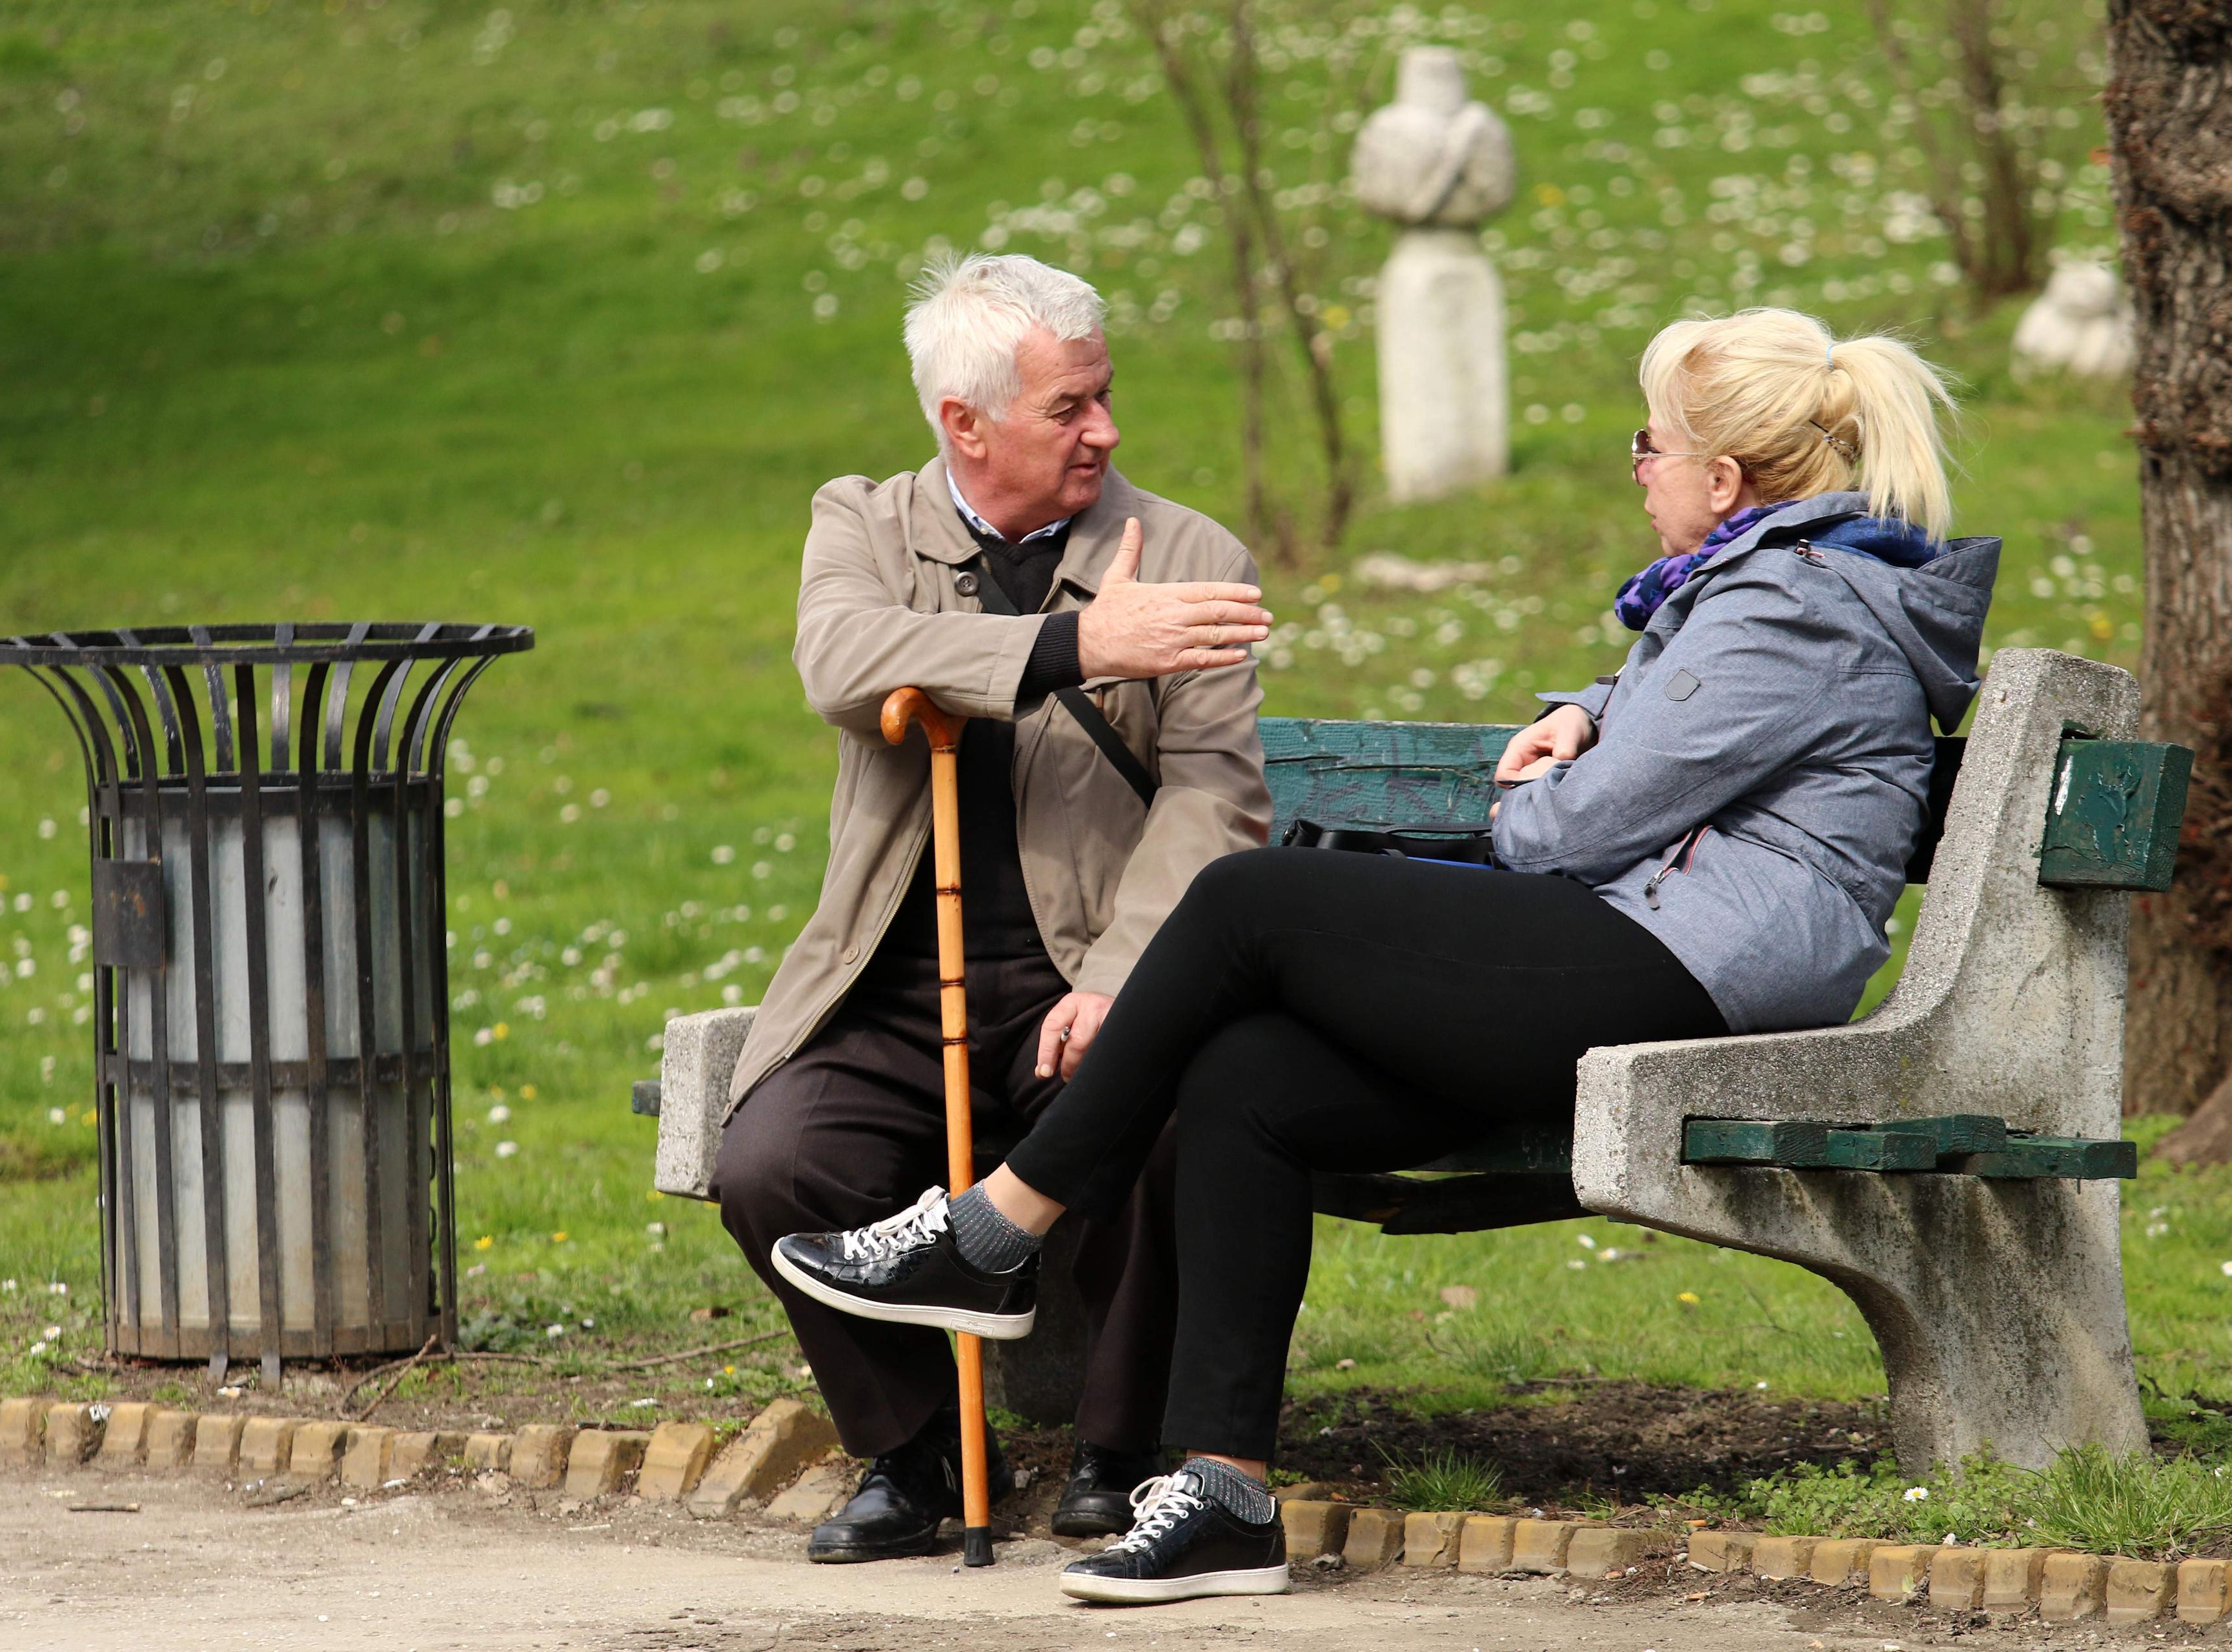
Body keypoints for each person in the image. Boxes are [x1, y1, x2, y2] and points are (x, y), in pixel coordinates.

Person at [768, 307, 2000, 1602]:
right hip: (1652, 937)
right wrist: (1584, 709)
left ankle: (999, 1226)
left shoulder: (1791, 606)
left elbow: (1566, 828)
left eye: (1654, 443)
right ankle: (1227, 1494)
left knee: (1250, 902)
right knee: (1247, 1071)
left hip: (1690, 965)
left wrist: (1546, 777)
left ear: (1726, 480)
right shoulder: (1762, 587)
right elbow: (1655, 724)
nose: (1637, 463)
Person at [715, 251, 1276, 1564]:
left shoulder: (1190, 554)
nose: (1107, 429)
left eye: (1104, 396)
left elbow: (1213, 799)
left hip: (1090, 969)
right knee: (769, 1165)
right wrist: (1079, 645)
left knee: (1175, 1118)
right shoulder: (862, 521)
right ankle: (913, 1455)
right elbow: (843, 660)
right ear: (964, 423)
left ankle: (1116, 1449)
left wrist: (1126, 978)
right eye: (1069, 408)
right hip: (894, 981)